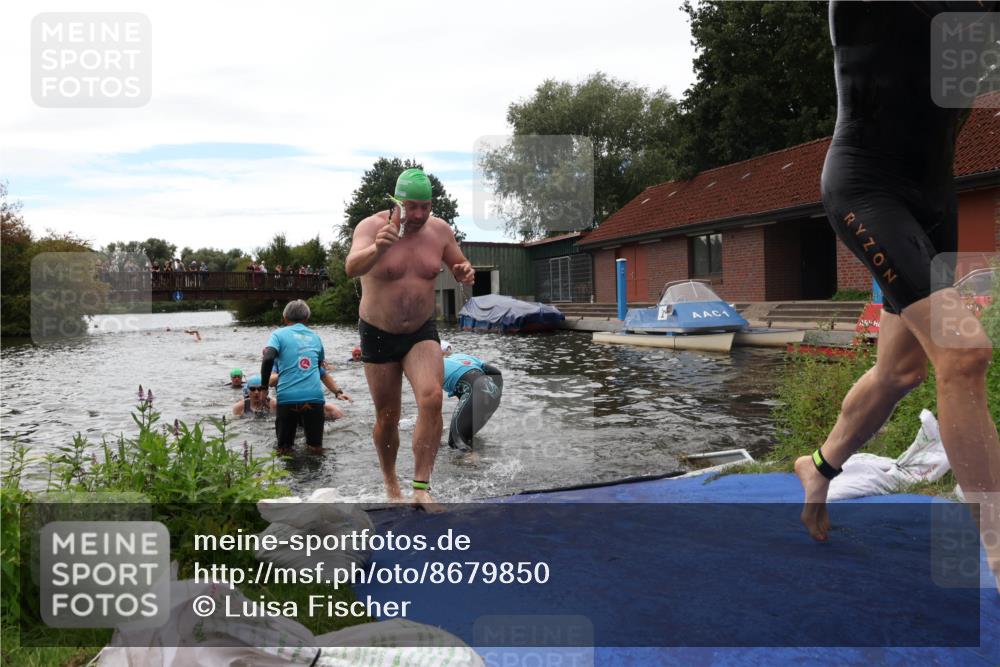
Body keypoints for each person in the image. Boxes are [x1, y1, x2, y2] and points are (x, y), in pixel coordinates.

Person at [797, 1, 1000, 588]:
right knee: (964, 354)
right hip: (866, 186)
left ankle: (819, 466)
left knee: (900, 371)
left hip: (934, 201)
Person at [345, 167, 475, 506]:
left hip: (421, 330)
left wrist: (465, 272)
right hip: (377, 332)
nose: (418, 214)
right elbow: (351, 267)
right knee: (387, 417)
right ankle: (391, 484)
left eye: (425, 206)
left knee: (432, 397)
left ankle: (420, 488)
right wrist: (376, 248)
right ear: (396, 202)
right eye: (411, 206)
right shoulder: (371, 227)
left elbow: (461, 266)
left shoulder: (440, 230)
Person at [259, 300, 327, 454]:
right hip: (314, 398)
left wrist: (264, 388)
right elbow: (318, 366)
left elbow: (268, 357)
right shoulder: (316, 337)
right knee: (316, 449)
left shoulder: (278, 334)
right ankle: (318, 477)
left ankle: (286, 476)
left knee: (284, 449)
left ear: (284, 317)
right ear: (307, 318)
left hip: (288, 397)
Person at [440, 341, 503, 452]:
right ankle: (478, 460)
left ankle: (476, 465)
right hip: (494, 394)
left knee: (456, 442)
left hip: (474, 391)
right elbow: (496, 372)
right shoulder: (463, 356)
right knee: (467, 437)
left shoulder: (434, 364)